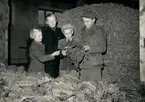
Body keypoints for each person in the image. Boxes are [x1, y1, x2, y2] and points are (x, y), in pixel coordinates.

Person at [79, 11, 107, 81]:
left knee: (94, 88)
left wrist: (90, 48)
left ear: (93, 20)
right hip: (83, 64)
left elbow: (103, 48)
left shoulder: (99, 31)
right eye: (84, 21)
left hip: (94, 64)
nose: (85, 24)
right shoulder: (82, 30)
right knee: (83, 88)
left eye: (87, 21)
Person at [42, 13, 65, 78]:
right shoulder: (44, 33)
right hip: (48, 60)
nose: (52, 22)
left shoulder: (60, 31)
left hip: (59, 59)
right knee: (49, 77)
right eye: (50, 21)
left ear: (56, 20)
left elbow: (64, 43)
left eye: (54, 20)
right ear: (46, 22)